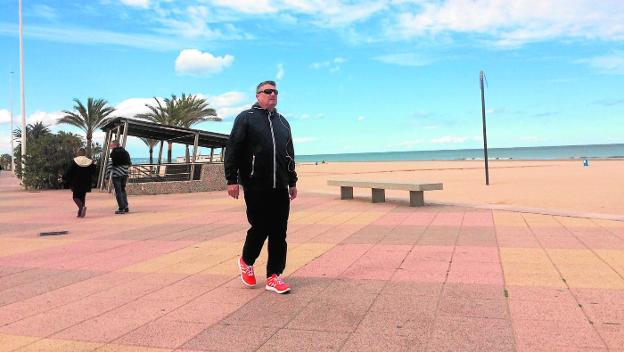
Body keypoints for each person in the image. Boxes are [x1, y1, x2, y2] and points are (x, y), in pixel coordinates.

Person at [224, 80, 298, 294]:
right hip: (256, 183)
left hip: (280, 186)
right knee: (260, 227)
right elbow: (233, 149)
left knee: (279, 231)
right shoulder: (246, 118)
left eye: (275, 91)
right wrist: (232, 180)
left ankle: (274, 276)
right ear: (258, 95)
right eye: (268, 91)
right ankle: (247, 260)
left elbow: (289, 155)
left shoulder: (283, 122)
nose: (272, 94)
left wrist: (292, 181)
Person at [63, 148, 97, 218]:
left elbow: (69, 171)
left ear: (78, 153)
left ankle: (82, 208)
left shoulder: (74, 161)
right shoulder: (89, 162)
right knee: (82, 197)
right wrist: (94, 165)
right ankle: (80, 213)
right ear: (85, 153)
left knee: (75, 197)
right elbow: (93, 171)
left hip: (76, 182)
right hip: (86, 182)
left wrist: (63, 177)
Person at [105, 140, 131, 214]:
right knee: (123, 190)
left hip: (117, 175)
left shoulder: (113, 153)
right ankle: (126, 207)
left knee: (118, 191)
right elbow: (129, 164)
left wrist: (107, 177)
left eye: (111, 145)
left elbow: (110, 165)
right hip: (125, 175)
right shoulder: (126, 152)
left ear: (115, 145)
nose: (110, 146)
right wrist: (124, 170)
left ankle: (121, 208)